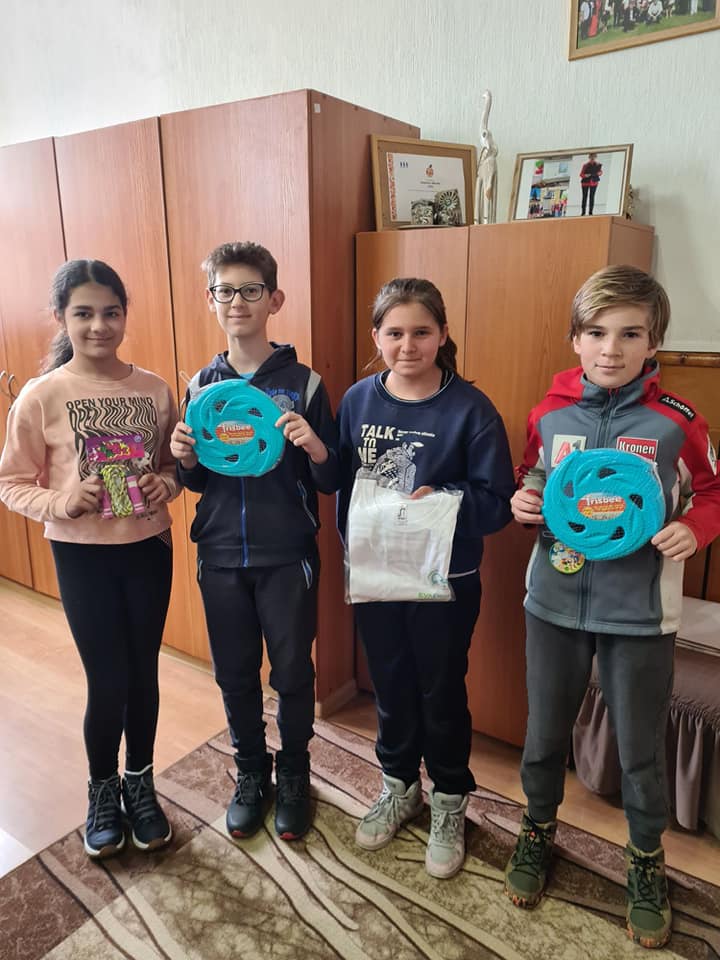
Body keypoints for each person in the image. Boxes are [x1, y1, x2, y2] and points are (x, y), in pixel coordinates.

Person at [503, 265, 720, 948]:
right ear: (575, 338)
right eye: (596, 332)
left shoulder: (677, 422)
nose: (611, 348)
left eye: (630, 334)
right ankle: (537, 828)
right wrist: (523, 500)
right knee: (544, 734)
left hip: (640, 613)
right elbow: (533, 478)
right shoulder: (548, 414)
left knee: (639, 748)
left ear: (654, 343)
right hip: (553, 602)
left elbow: (713, 492)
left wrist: (697, 527)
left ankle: (647, 859)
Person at [0, 260, 180, 859]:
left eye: (110, 313)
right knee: (108, 680)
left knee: (143, 674)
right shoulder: (41, 395)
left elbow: (172, 467)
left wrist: (164, 484)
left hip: (148, 550)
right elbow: (10, 482)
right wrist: (61, 500)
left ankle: (140, 783)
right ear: (61, 318)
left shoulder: (154, 389)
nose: (99, 326)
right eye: (83, 313)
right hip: (83, 557)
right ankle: (103, 788)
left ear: (125, 315)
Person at [337, 278, 514, 879]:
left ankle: (449, 800)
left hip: (445, 579)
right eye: (394, 333)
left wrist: (442, 498)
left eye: (421, 332)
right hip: (377, 574)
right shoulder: (357, 400)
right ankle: (399, 786)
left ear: (442, 335)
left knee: (440, 690)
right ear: (376, 337)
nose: (407, 345)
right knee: (390, 685)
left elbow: (497, 502)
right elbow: (340, 482)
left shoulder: (472, 409)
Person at [170, 241, 338, 842]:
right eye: (225, 291)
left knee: (291, 671)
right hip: (219, 556)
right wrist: (185, 457)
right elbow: (197, 482)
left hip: (287, 555)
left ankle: (293, 773)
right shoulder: (201, 385)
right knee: (234, 672)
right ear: (211, 299)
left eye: (250, 290)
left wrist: (314, 446)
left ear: (275, 299)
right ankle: (250, 772)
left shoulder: (305, 382)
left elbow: (330, 478)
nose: (237, 301)